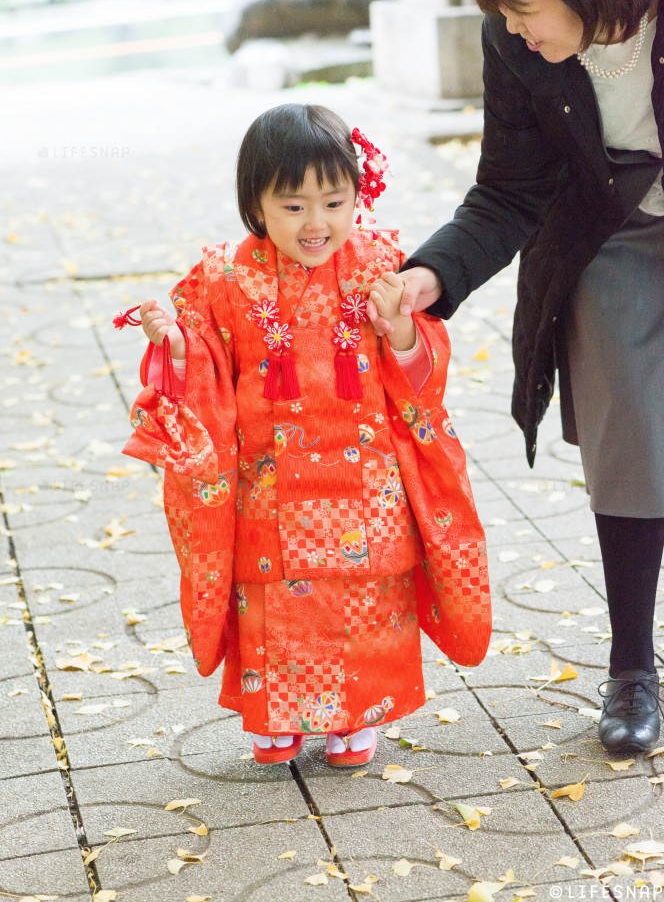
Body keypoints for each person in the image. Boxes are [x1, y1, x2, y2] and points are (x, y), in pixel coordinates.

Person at [369, 0, 664, 754]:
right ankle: (632, 667)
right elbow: (507, 189)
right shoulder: (516, 47)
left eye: (521, 6)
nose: (509, 27)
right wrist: (428, 275)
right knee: (628, 436)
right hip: (604, 231)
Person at [116, 104, 491, 766]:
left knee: (366, 600)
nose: (315, 224)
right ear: (255, 204)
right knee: (276, 608)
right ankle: (276, 717)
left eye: (333, 201)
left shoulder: (382, 263)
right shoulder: (223, 278)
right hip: (270, 484)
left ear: (357, 195)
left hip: (366, 484)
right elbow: (201, 364)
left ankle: (356, 718)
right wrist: (174, 344)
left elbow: (420, 364)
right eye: (292, 206)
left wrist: (400, 326)